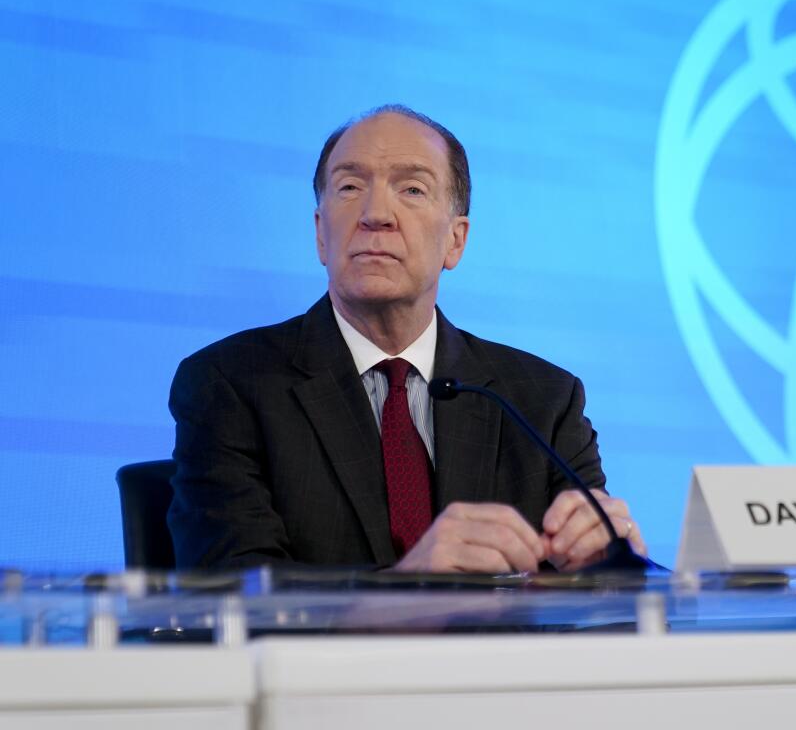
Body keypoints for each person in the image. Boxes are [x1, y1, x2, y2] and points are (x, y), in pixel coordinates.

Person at [167, 104, 645, 572]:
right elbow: (234, 589)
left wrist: (611, 564)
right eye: (349, 187)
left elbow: (597, 595)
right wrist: (409, 588)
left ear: (455, 241)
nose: (376, 213)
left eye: (412, 189)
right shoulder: (229, 386)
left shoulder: (542, 401)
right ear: (320, 234)